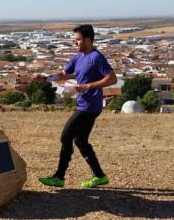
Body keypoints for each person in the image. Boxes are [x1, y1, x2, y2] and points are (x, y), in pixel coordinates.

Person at [38, 24, 117, 188]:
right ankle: (100, 176)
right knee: (80, 141)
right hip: (83, 104)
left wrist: (88, 86)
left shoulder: (97, 57)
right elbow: (63, 74)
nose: (75, 43)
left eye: (78, 39)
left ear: (88, 39)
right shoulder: (78, 57)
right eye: (75, 39)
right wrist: (46, 78)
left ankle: (59, 177)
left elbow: (112, 79)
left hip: (90, 106)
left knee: (66, 137)